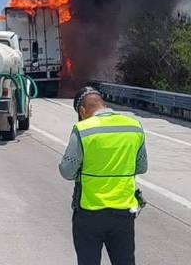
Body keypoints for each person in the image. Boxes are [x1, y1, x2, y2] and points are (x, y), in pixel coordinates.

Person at [59, 86, 148, 265]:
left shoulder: (83, 129)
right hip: (123, 212)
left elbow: (67, 171)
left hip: (89, 212)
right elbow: (142, 167)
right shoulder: (134, 127)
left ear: (82, 110)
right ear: (103, 104)